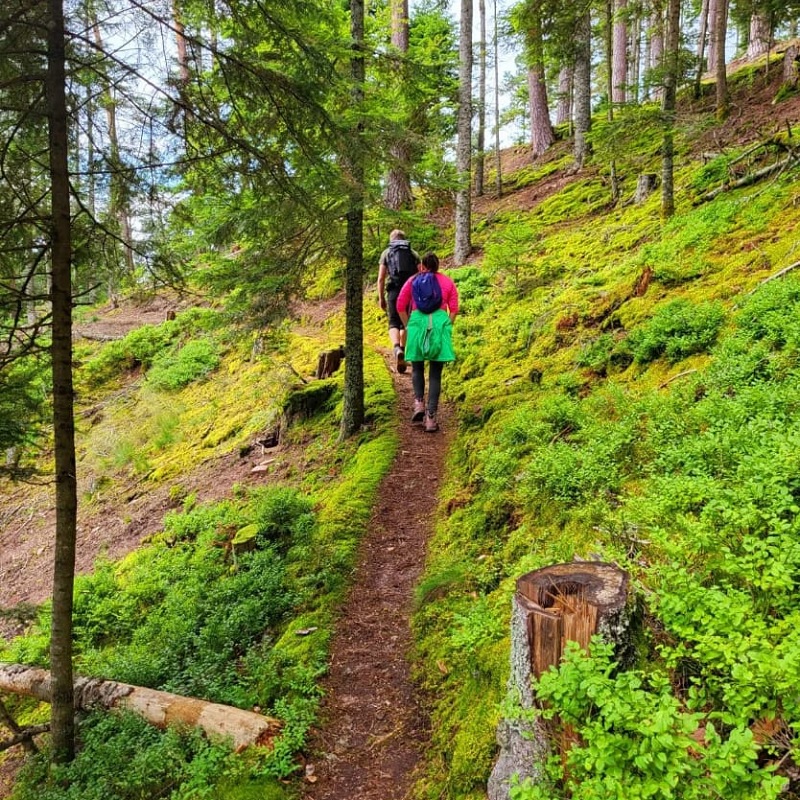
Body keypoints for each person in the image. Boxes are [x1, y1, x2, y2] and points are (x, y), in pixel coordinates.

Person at [397, 252, 459, 433]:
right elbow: (454, 309)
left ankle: (418, 404)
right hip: (438, 325)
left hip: (417, 323)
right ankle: (431, 418)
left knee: (416, 367)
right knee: (435, 374)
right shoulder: (447, 282)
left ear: (422, 266)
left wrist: (408, 325)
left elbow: (400, 305)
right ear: (438, 266)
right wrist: (446, 325)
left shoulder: (413, 281)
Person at [378, 229, 421, 373]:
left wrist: (381, 297)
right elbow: (421, 275)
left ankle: (397, 349)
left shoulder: (386, 253)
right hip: (409, 292)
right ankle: (403, 350)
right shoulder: (413, 253)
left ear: (392, 240)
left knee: (393, 322)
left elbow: (381, 279)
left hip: (394, 291)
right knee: (406, 323)